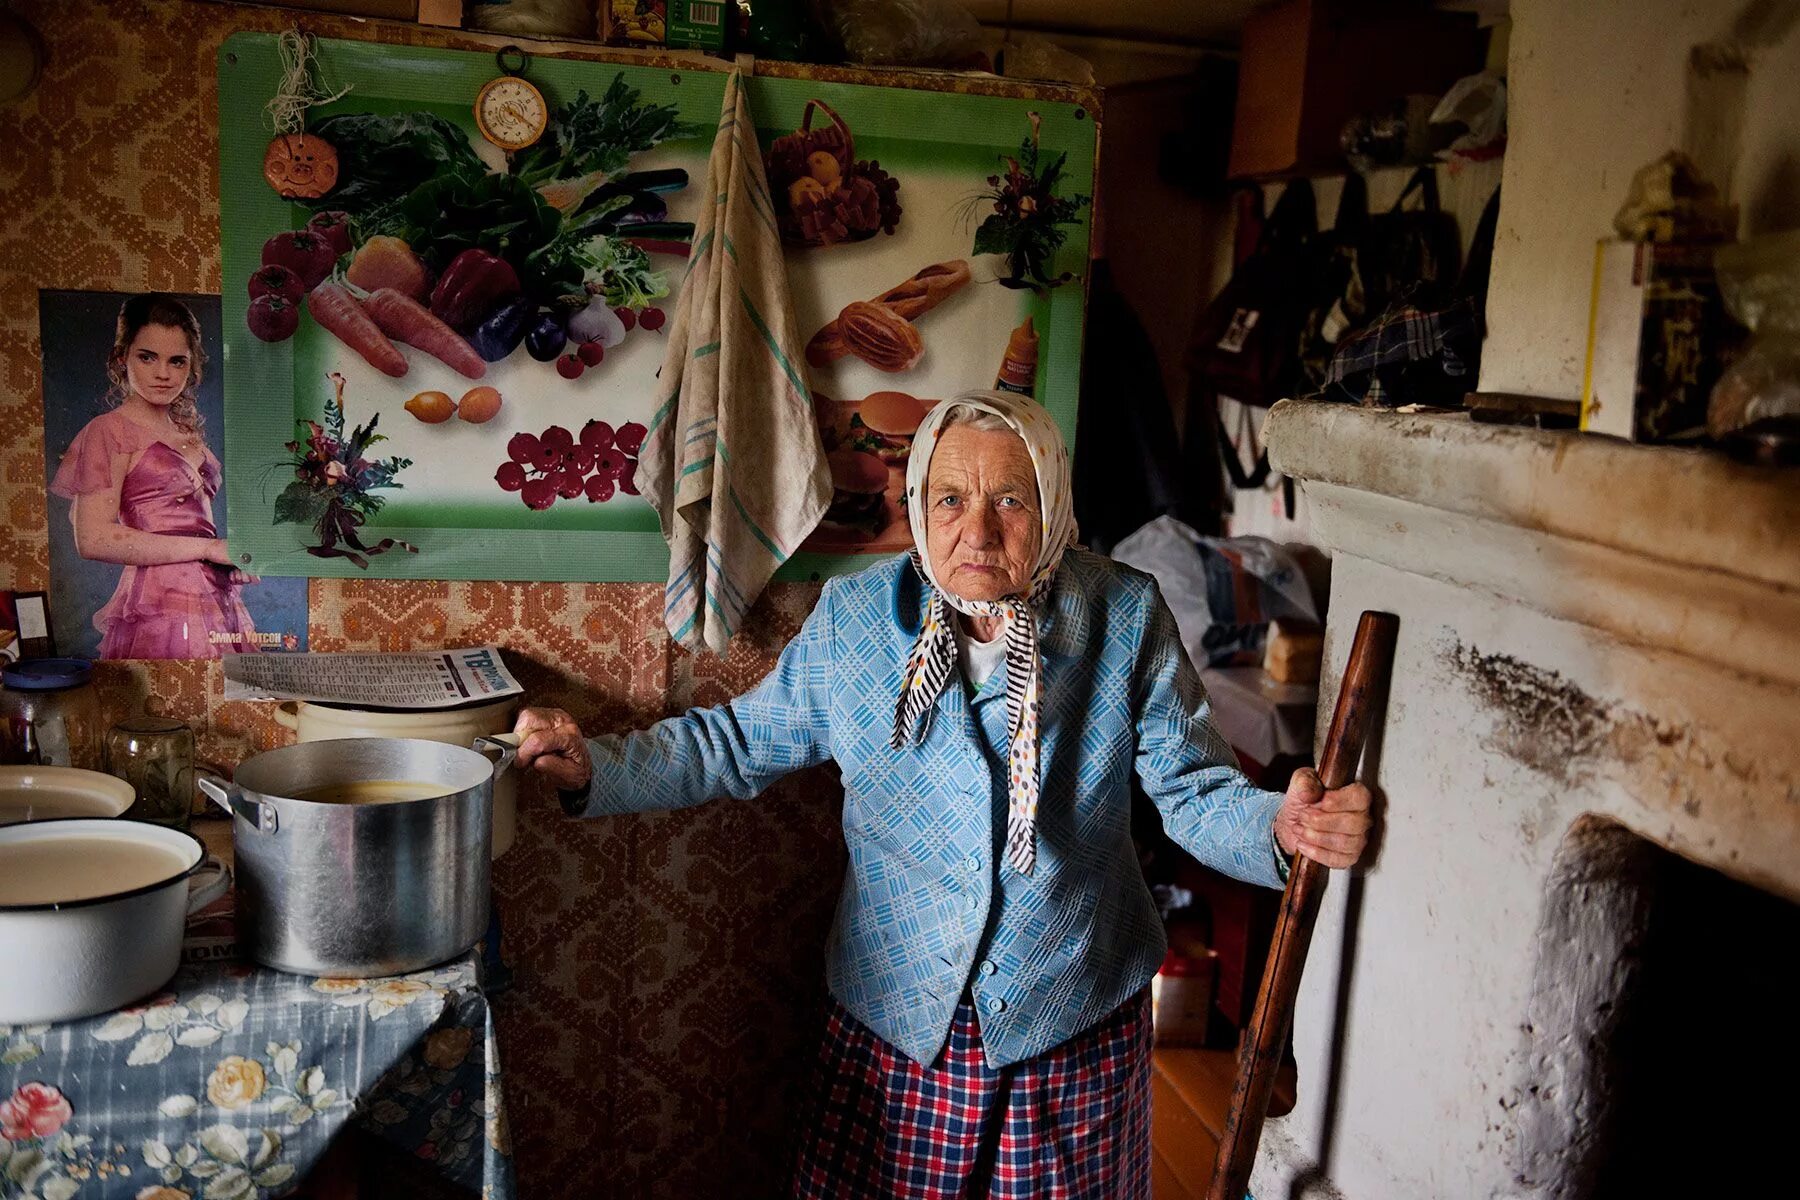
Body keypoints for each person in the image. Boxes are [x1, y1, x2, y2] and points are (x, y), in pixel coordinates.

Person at [513, 389, 1372, 1198]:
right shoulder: (856, 622)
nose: (978, 531)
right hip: (898, 1019)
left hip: (1066, 1015)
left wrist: (1280, 825)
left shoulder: (1122, 616)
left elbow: (1191, 791)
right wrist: (600, 767)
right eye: (950, 499)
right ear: (918, 507)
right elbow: (732, 743)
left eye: (1011, 499)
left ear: (1054, 505)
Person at [50, 293, 260, 659]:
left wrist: (231, 560)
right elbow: (93, 538)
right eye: (147, 357)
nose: (163, 374)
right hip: (160, 600)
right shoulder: (108, 432)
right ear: (121, 358)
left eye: (176, 361)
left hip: (215, 595)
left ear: (191, 366)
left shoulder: (188, 434)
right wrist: (209, 548)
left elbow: (196, 526)